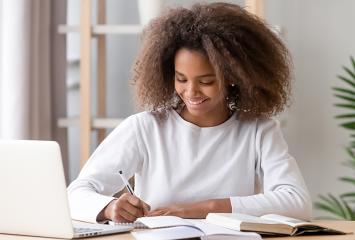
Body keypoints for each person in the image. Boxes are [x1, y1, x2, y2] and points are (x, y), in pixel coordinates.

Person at [67, 2, 312, 224]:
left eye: (206, 81)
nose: (191, 91)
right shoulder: (145, 127)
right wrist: (110, 207)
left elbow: (297, 203)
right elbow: (75, 194)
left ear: (233, 78)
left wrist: (205, 208)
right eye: (181, 79)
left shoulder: (259, 130)